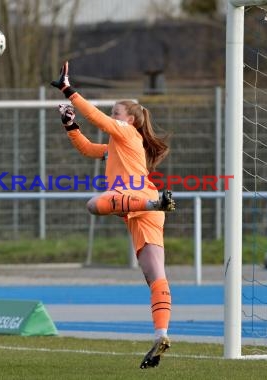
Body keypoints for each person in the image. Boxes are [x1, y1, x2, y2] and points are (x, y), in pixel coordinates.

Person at [50, 61, 175, 369]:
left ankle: (155, 202)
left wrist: (69, 91)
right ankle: (161, 335)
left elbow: (98, 118)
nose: (113, 116)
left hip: (141, 201)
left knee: (93, 204)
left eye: (116, 112)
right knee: (154, 275)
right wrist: (70, 125)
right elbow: (88, 149)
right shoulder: (117, 145)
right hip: (142, 210)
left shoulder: (127, 132)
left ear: (130, 118)